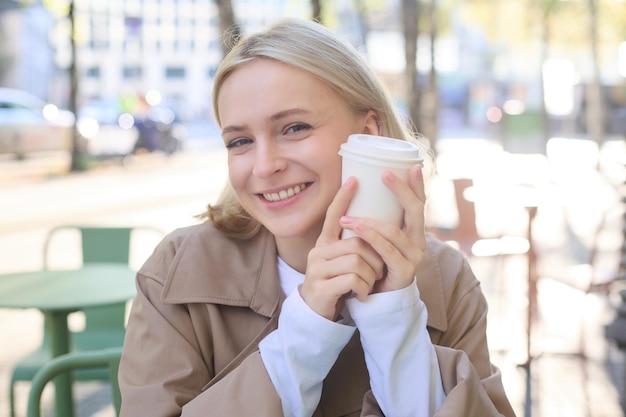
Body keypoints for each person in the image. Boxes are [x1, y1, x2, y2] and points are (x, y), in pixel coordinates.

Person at [118, 17, 516, 417]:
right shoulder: (176, 272)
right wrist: (306, 328)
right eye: (240, 141)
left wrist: (392, 316)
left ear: (369, 133)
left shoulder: (446, 280)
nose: (264, 166)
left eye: (294, 128)